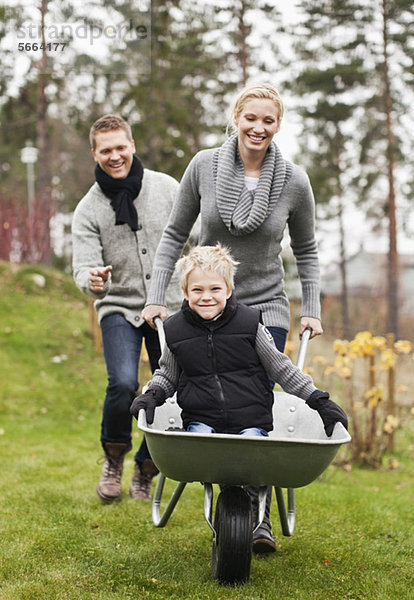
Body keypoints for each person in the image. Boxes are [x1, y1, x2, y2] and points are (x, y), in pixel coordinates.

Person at [141, 82, 323, 550]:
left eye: (269, 120)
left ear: (278, 124)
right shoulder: (203, 166)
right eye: (251, 118)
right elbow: (174, 234)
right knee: (205, 395)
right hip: (205, 299)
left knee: (256, 401)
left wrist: (313, 309)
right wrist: (158, 296)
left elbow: (306, 251)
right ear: (235, 118)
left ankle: (254, 511)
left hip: (264, 306)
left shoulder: (294, 181)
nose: (258, 128)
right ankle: (229, 493)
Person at [131, 245, 347, 545]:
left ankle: (257, 518)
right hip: (202, 420)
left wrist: (318, 400)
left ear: (229, 289)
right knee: (202, 446)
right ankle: (236, 519)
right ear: (184, 291)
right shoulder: (177, 330)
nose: (206, 296)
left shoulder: (249, 324)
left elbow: (282, 369)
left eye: (215, 288)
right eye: (197, 289)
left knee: (257, 457)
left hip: (250, 419)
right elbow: (168, 374)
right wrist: (151, 395)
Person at [71, 114, 183, 504]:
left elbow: (197, 236)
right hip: (119, 305)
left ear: (132, 146)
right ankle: (114, 460)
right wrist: (92, 280)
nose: (115, 156)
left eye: (121, 147)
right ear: (95, 154)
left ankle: (146, 468)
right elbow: (82, 267)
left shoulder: (167, 188)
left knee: (168, 389)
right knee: (122, 384)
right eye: (106, 150)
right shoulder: (88, 208)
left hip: (168, 306)